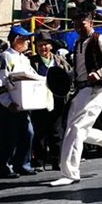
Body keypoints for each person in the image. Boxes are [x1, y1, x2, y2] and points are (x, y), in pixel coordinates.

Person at [50, 10, 102, 187]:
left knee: (75, 128)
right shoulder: (78, 43)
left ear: (90, 23)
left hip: (95, 90)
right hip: (80, 90)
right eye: (75, 25)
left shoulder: (100, 40)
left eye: (82, 24)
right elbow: (79, 69)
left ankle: (70, 173)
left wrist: (100, 73)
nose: (78, 28)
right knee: (76, 129)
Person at [0, 25, 40, 178]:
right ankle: (4, 166)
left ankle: (22, 164)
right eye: (24, 39)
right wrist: (7, 102)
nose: (27, 42)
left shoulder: (24, 58)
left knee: (28, 133)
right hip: (9, 106)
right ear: (16, 40)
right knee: (8, 136)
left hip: (23, 105)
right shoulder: (5, 57)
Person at [30, 31, 72, 171]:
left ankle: (57, 160)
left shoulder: (59, 61)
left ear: (51, 46)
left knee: (56, 131)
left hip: (57, 101)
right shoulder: (32, 62)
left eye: (45, 45)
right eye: (40, 45)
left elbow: (69, 77)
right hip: (38, 101)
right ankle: (39, 161)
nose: (43, 48)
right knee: (39, 132)